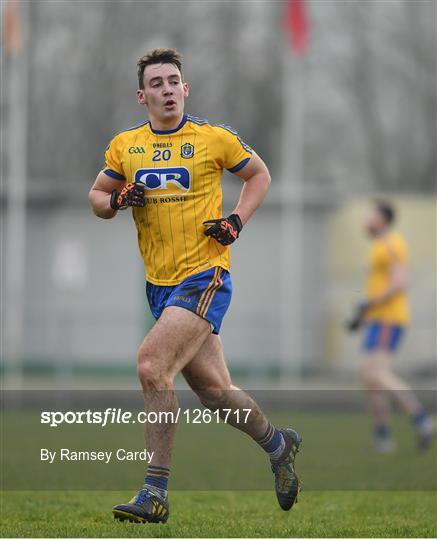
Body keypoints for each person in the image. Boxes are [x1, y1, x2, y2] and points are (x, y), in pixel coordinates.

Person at [88, 48, 301, 524]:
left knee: (151, 366)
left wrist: (236, 221)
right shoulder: (127, 145)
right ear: (142, 95)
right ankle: (279, 444)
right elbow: (97, 197)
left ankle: (154, 491)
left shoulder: (212, 138)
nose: (167, 89)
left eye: (173, 81)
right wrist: (118, 199)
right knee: (216, 392)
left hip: (205, 277)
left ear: (185, 89)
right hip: (160, 286)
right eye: (157, 83)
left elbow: (259, 175)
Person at [347, 199, 434, 453]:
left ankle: (421, 419)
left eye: (369, 213)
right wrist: (363, 314)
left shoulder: (392, 243)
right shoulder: (378, 245)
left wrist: (369, 304)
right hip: (377, 318)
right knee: (369, 377)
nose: (365, 218)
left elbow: (400, 281)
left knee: (376, 374)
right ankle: (383, 435)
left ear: (382, 218)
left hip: (389, 318)